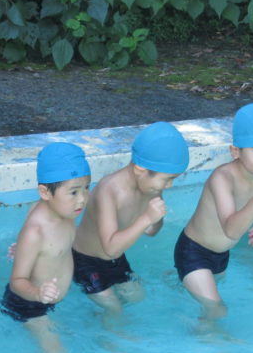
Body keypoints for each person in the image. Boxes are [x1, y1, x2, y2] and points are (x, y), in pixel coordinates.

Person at [2, 142, 90, 353]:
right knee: (56, 351)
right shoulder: (36, 230)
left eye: (86, 188)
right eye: (74, 192)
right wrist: (38, 293)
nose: (82, 199)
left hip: (47, 299)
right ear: (45, 192)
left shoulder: (65, 211)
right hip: (28, 303)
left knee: (56, 343)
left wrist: (22, 249)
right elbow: (17, 281)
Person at [176, 103, 253, 318]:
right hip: (193, 251)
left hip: (221, 254)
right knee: (216, 309)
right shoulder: (223, 178)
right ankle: (203, 338)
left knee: (208, 297)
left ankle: (177, 280)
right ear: (236, 151)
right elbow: (231, 230)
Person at [72, 121, 189, 313]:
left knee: (138, 298)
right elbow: (110, 247)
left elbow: (151, 232)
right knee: (114, 308)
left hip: (116, 259)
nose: (169, 186)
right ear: (140, 170)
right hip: (85, 260)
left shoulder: (152, 187)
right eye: (167, 179)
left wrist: (155, 218)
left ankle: (101, 313)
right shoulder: (109, 190)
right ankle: (103, 326)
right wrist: (146, 218)